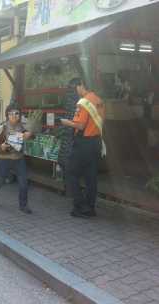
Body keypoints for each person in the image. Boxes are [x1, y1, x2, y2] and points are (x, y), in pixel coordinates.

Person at [60, 75, 104, 217]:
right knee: (90, 175)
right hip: (96, 141)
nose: (76, 89)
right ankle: (90, 207)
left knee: (70, 171)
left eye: (77, 86)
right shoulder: (99, 101)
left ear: (81, 85)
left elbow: (80, 125)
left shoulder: (83, 102)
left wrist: (66, 122)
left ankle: (79, 205)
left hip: (83, 142)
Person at [0, 103, 36, 213]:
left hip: (18, 159)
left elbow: (32, 137)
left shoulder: (22, 127)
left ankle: (23, 205)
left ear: (19, 114)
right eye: (11, 113)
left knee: (23, 180)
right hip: (4, 158)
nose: (14, 115)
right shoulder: (3, 127)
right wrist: (1, 146)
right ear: (7, 115)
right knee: (0, 180)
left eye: (16, 113)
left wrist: (29, 134)